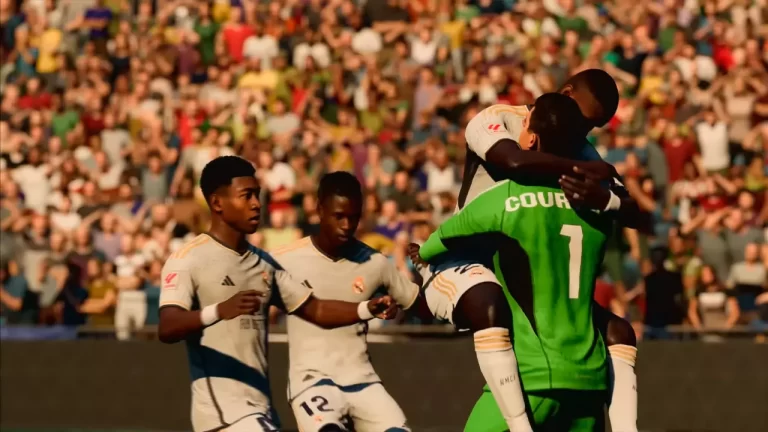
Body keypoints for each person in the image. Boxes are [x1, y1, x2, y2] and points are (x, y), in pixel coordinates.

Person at [417, 69, 641, 432]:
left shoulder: (579, 145)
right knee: (490, 302)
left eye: (594, 127)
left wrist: (606, 199)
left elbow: (632, 210)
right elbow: (513, 162)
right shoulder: (499, 119)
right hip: (464, 258)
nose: (585, 131)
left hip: (522, 269)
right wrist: (587, 169)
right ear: (566, 94)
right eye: (585, 120)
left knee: (617, 330)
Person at [158, 156, 398, 432]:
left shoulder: (263, 264)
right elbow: (168, 326)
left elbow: (316, 310)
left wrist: (367, 308)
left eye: (257, 194)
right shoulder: (189, 259)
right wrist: (218, 311)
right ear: (217, 203)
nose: (257, 204)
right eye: (246, 195)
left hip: (261, 413)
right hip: (222, 417)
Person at [272, 171, 419, 432]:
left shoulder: (375, 262)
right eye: (339, 216)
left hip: (363, 381)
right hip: (312, 382)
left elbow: (418, 303)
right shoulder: (283, 260)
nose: (347, 225)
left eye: (354, 217)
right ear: (319, 210)